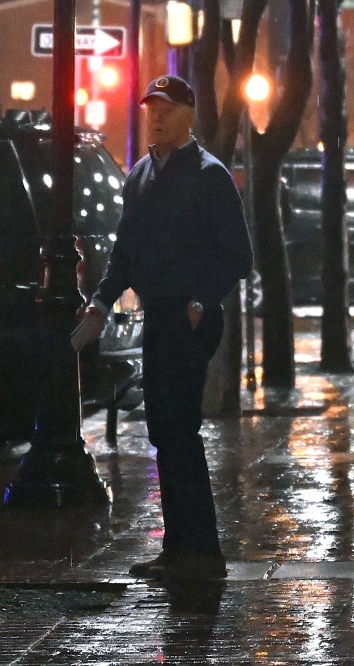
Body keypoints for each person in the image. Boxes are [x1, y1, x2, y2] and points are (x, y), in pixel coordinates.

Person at [74, 75, 253, 582]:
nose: (157, 116)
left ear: (190, 114)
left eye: (169, 108)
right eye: (152, 107)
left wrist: (200, 300)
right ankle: (181, 547)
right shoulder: (141, 175)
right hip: (159, 315)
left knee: (179, 430)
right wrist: (102, 302)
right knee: (165, 432)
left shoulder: (208, 175)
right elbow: (124, 252)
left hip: (190, 318)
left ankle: (200, 551)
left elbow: (237, 255)